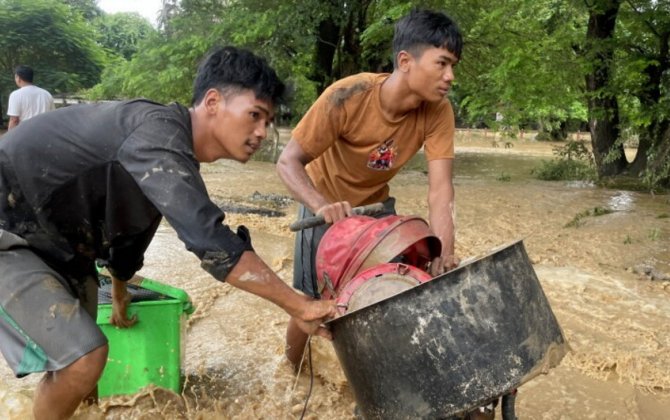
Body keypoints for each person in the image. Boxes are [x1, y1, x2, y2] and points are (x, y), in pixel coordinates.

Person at [0, 46, 336, 420]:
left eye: (269, 121)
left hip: (60, 245)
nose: (262, 132)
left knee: (87, 382)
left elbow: (128, 236)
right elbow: (210, 241)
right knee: (82, 359)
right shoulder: (156, 132)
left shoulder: (170, 153)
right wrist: (299, 304)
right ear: (212, 101)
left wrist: (122, 292)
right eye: (255, 115)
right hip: (10, 232)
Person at [277, 8, 462, 367]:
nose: (450, 76)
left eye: (453, 65)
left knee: (392, 296)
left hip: (377, 213)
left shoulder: (438, 112)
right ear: (405, 61)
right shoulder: (348, 95)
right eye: (441, 63)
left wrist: (444, 252)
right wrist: (320, 205)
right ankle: (291, 371)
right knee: (312, 305)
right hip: (325, 210)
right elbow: (288, 161)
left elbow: (441, 191)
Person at [6, 65, 55, 130]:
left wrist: (10, 138)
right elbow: (52, 116)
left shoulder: (15, 95)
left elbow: (14, 120)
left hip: (25, 134)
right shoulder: (46, 93)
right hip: (44, 133)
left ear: (18, 78)